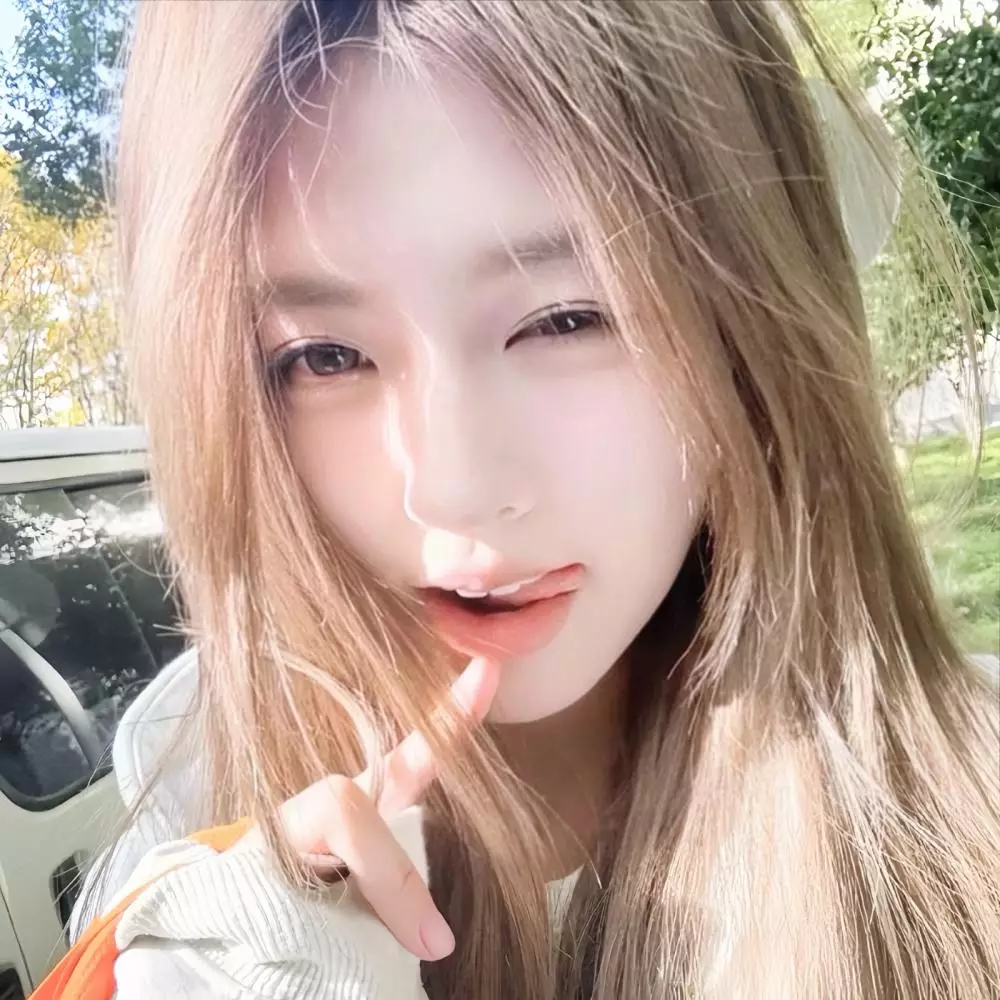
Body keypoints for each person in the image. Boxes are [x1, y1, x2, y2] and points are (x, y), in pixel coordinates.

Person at [41, 1, 1000, 998]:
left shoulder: (967, 810)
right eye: (323, 357)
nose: (454, 489)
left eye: (567, 318)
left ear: (752, 329)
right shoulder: (188, 802)